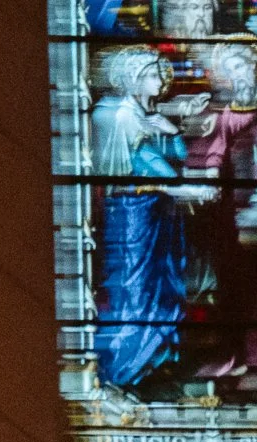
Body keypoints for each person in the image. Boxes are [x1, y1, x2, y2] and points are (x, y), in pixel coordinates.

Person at [183, 39, 257, 396]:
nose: (241, 72)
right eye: (233, 67)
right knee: (233, 290)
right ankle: (234, 358)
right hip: (228, 220)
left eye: (246, 65)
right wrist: (203, 180)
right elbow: (211, 157)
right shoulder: (222, 118)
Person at [90, 48, 202, 394]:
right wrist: (183, 187)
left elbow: (178, 156)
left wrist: (170, 130)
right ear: (133, 78)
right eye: (154, 75)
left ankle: (157, 362)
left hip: (157, 213)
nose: (161, 82)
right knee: (135, 287)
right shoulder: (119, 115)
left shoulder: (145, 112)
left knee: (163, 284)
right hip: (132, 212)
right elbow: (149, 163)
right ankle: (126, 368)